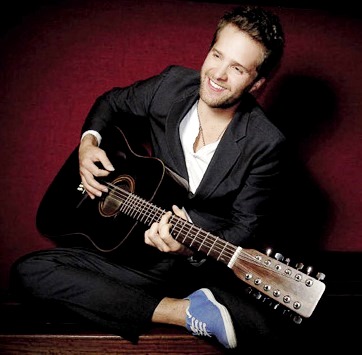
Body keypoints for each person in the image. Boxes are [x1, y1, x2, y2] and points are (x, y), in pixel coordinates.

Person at [10, 5, 287, 351]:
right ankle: (182, 312)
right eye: (217, 55)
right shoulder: (170, 87)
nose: (218, 74)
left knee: (266, 334)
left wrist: (190, 248)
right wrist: (88, 143)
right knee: (28, 271)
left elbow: (245, 228)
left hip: (179, 266)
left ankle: (183, 301)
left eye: (237, 68)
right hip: (122, 249)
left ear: (257, 83)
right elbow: (110, 103)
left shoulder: (266, 142)